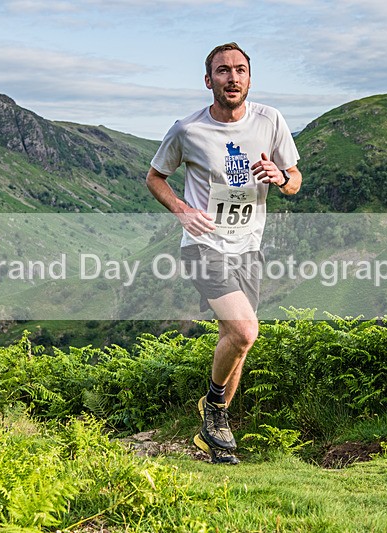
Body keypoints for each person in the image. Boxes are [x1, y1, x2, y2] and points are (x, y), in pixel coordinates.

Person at [146, 42, 302, 464]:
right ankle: (214, 408)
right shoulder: (188, 130)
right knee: (245, 330)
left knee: (236, 341)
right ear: (208, 80)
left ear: (250, 78)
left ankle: (213, 436)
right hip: (203, 245)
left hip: (248, 246)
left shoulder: (271, 121)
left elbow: (295, 179)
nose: (232, 78)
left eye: (239, 70)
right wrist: (181, 209)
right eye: (222, 71)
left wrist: (281, 176)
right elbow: (155, 177)